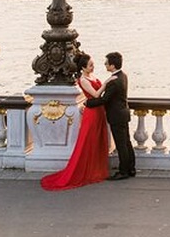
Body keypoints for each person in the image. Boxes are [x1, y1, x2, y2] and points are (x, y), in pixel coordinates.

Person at [41, 52, 116, 191]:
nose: (93, 67)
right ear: (83, 67)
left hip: (98, 111)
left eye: (93, 64)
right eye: (90, 65)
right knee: (89, 141)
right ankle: (89, 171)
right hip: (92, 114)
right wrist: (106, 82)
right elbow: (95, 94)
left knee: (97, 140)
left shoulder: (90, 77)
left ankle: (96, 170)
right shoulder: (83, 80)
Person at [85, 51, 136, 180]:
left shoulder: (113, 81)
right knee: (126, 142)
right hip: (123, 113)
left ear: (112, 66)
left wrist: (88, 103)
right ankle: (131, 168)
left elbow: (104, 99)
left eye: (106, 63)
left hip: (116, 115)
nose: (105, 64)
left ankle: (123, 171)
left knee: (121, 144)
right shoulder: (123, 76)